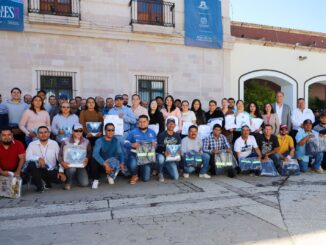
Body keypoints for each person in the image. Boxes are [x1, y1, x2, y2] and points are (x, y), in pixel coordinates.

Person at [25, 126, 66, 193]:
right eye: (40, 133)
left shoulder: (54, 143)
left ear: (49, 134)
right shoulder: (32, 144)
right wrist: (38, 158)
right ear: (37, 135)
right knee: (31, 164)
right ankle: (40, 186)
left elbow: (60, 158)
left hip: (50, 170)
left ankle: (45, 181)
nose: (43, 135)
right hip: (38, 170)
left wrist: (61, 171)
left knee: (61, 180)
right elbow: (27, 157)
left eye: (45, 132)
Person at [91, 123, 125, 188]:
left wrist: (122, 163)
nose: (111, 132)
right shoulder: (99, 140)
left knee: (117, 160)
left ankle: (110, 175)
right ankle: (96, 180)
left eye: (112, 130)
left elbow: (120, 153)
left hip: (111, 161)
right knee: (93, 159)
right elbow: (95, 154)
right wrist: (105, 164)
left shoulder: (116, 140)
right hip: (101, 162)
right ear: (105, 131)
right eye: (108, 130)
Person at [59, 123, 91, 190]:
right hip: (69, 165)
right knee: (72, 169)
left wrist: (87, 159)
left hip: (80, 165)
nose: (78, 132)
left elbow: (89, 153)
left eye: (80, 130)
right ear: (72, 131)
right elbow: (60, 155)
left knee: (84, 183)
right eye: (76, 130)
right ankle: (69, 182)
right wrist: (62, 163)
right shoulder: (65, 141)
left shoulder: (86, 141)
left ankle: (76, 176)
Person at [126, 115, 157, 184]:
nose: (142, 123)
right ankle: (134, 175)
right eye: (140, 122)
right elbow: (125, 142)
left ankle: (142, 169)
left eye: (144, 122)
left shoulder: (152, 132)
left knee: (146, 179)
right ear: (138, 123)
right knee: (132, 163)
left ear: (148, 122)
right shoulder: (133, 132)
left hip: (147, 156)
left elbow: (156, 144)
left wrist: (155, 145)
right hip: (135, 154)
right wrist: (131, 145)